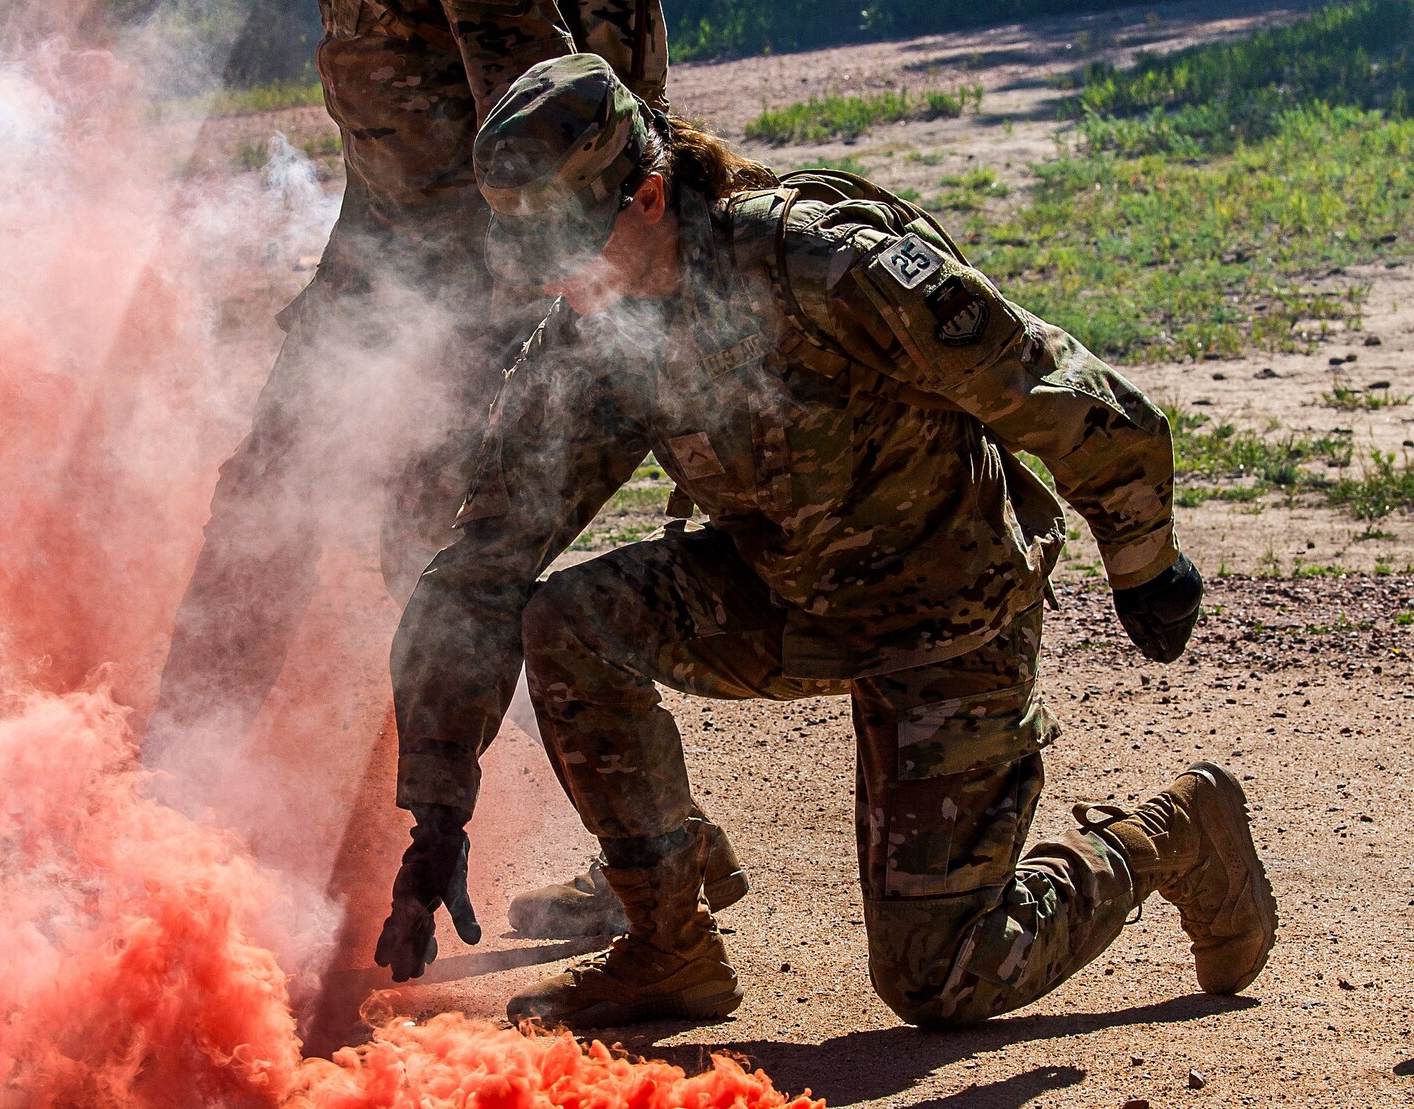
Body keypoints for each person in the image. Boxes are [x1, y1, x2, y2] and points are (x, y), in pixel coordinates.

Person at [372, 53, 1277, 1030]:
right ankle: (668, 947)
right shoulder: (600, 335)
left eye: (567, 254)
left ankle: (1176, 832)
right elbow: (485, 560)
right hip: (787, 599)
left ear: (643, 198)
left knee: (940, 978)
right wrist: (436, 800)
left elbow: (1044, 381)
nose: (558, 284)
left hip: (949, 619)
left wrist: (1143, 557)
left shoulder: (826, 263)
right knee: (567, 622)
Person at [146, 1, 751, 994]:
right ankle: (154, 826)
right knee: (272, 518)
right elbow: (384, 116)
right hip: (388, 263)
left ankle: (660, 847)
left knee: (433, 562)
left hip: (469, 283)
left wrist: (482, 328)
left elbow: (531, 114)